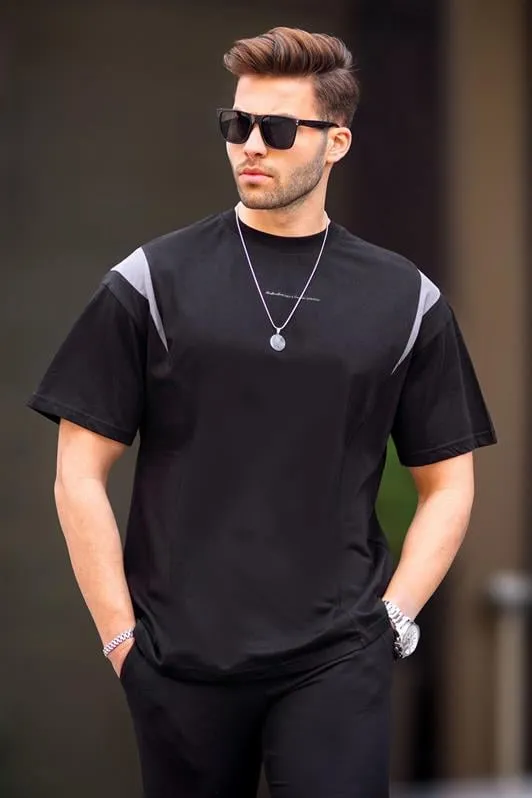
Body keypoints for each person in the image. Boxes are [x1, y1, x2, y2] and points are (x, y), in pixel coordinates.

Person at [27, 26, 496, 798]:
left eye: (276, 129)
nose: (250, 144)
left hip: (338, 656)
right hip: (178, 660)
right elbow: (77, 469)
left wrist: (394, 619)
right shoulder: (151, 282)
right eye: (236, 124)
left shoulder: (404, 299)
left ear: (336, 142)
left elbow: (449, 482)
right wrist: (120, 640)